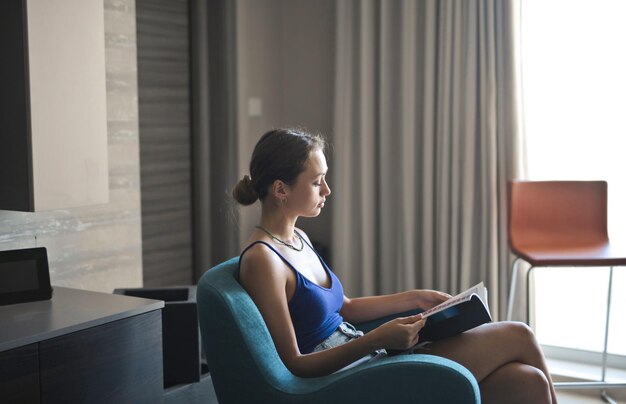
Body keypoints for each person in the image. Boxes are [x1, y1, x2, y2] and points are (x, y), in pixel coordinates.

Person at [232, 128, 558, 404]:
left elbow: (344, 307)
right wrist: (376, 339)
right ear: (280, 190)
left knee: (527, 381)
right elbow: (294, 364)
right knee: (519, 334)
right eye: (318, 182)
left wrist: (415, 298)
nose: (327, 190)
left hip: (368, 356)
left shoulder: (298, 236)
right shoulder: (263, 260)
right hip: (350, 380)